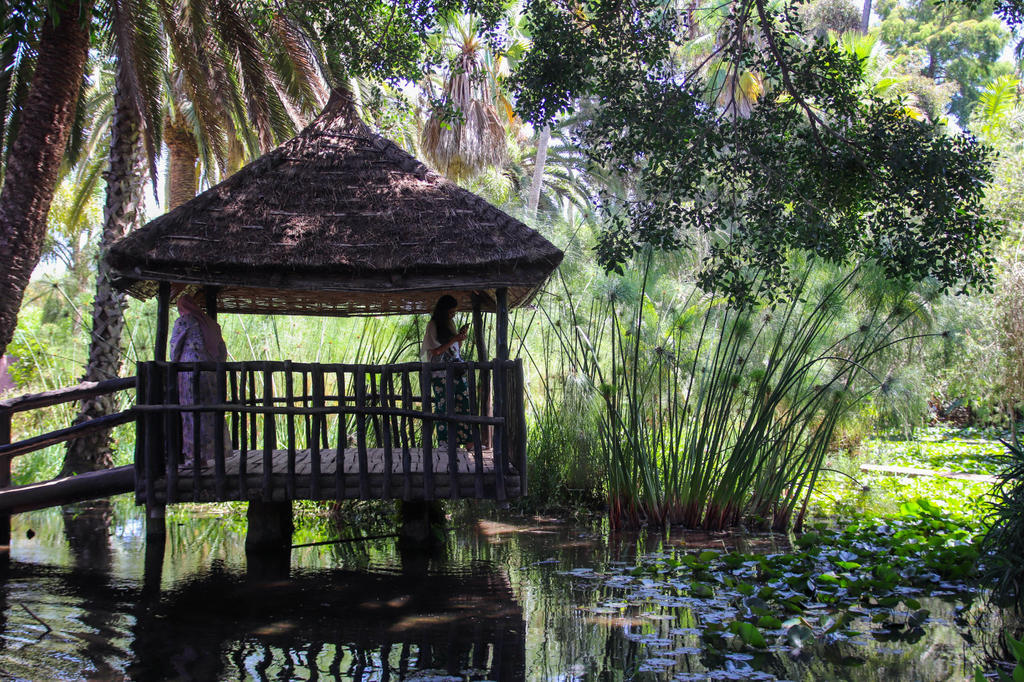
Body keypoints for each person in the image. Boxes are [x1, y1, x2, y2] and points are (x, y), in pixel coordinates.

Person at [169, 287, 229, 466]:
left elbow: (175, 347)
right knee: (210, 414)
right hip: (210, 372)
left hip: (190, 373)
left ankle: (196, 457)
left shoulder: (185, 321)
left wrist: (175, 363)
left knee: (192, 414)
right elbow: (222, 351)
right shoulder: (209, 323)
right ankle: (214, 453)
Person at [421, 295, 474, 448]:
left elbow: (453, 351)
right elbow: (436, 352)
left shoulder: (450, 324)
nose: (453, 315)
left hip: (455, 371)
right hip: (440, 374)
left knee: (464, 405)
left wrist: (459, 340)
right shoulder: (432, 325)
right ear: (443, 311)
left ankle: (468, 442)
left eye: (454, 312)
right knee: (444, 407)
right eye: (451, 312)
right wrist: (454, 339)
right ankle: (446, 443)